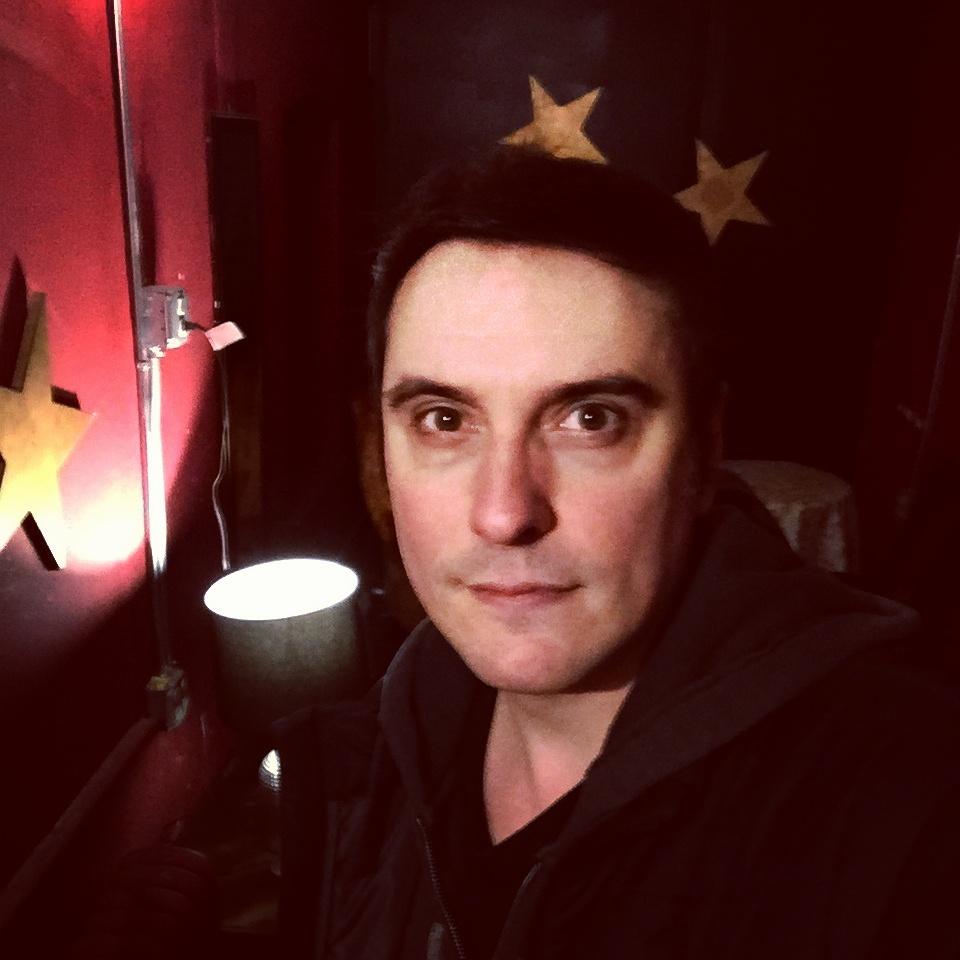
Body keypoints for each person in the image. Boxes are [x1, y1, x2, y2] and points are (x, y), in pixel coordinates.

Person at [276, 147, 960, 960]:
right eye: (445, 420)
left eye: (591, 419)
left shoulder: (908, 815)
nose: (504, 513)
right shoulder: (379, 746)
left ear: (704, 449)